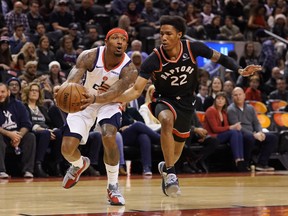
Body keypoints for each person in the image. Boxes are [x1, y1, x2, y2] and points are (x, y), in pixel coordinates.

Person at [81, 16, 261, 197]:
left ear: (179, 35)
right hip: (163, 99)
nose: (164, 37)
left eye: (168, 34)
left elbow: (220, 57)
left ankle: (166, 168)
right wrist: (104, 98)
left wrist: (239, 69)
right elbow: (136, 90)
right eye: (161, 34)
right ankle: (171, 173)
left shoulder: (193, 48)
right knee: (166, 120)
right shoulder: (154, 59)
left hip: (186, 102)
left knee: (176, 151)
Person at [54, 28, 138, 205]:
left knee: (108, 136)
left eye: (123, 39)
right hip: (83, 100)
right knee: (67, 149)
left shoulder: (129, 69)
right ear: (106, 42)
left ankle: (113, 186)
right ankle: (79, 164)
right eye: (115, 38)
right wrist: (64, 88)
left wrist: (96, 98)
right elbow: (74, 76)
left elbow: (115, 92)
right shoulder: (90, 55)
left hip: (110, 103)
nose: (120, 41)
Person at [227, 87, 278, 171]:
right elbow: (237, 127)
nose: (238, 97)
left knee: (273, 138)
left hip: (254, 133)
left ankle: (262, 163)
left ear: (244, 96)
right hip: (241, 134)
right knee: (249, 138)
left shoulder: (250, 108)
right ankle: (246, 164)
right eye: (235, 95)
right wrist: (254, 135)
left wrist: (260, 132)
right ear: (232, 97)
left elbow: (256, 122)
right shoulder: (231, 109)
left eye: (240, 94)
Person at [203, 91, 247, 172]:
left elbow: (225, 127)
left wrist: (232, 127)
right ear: (215, 100)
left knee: (238, 132)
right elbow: (215, 129)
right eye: (218, 99)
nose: (220, 100)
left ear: (225, 101)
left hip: (220, 135)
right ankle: (237, 159)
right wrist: (231, 127)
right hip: (211, 136)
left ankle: (241, 159)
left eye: (222, 99)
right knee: (233, 132)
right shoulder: (210, 110)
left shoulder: (223, 112)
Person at [0, 82, 36, 178]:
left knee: (30, 137)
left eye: (3, 92)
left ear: (8, 92)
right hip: (3, 136)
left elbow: (26, 124)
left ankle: (28, 170)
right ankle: (1, 171)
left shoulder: (19, 105)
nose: (0, 95)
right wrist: (9, 134)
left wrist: (18, 136)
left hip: (18, 135)